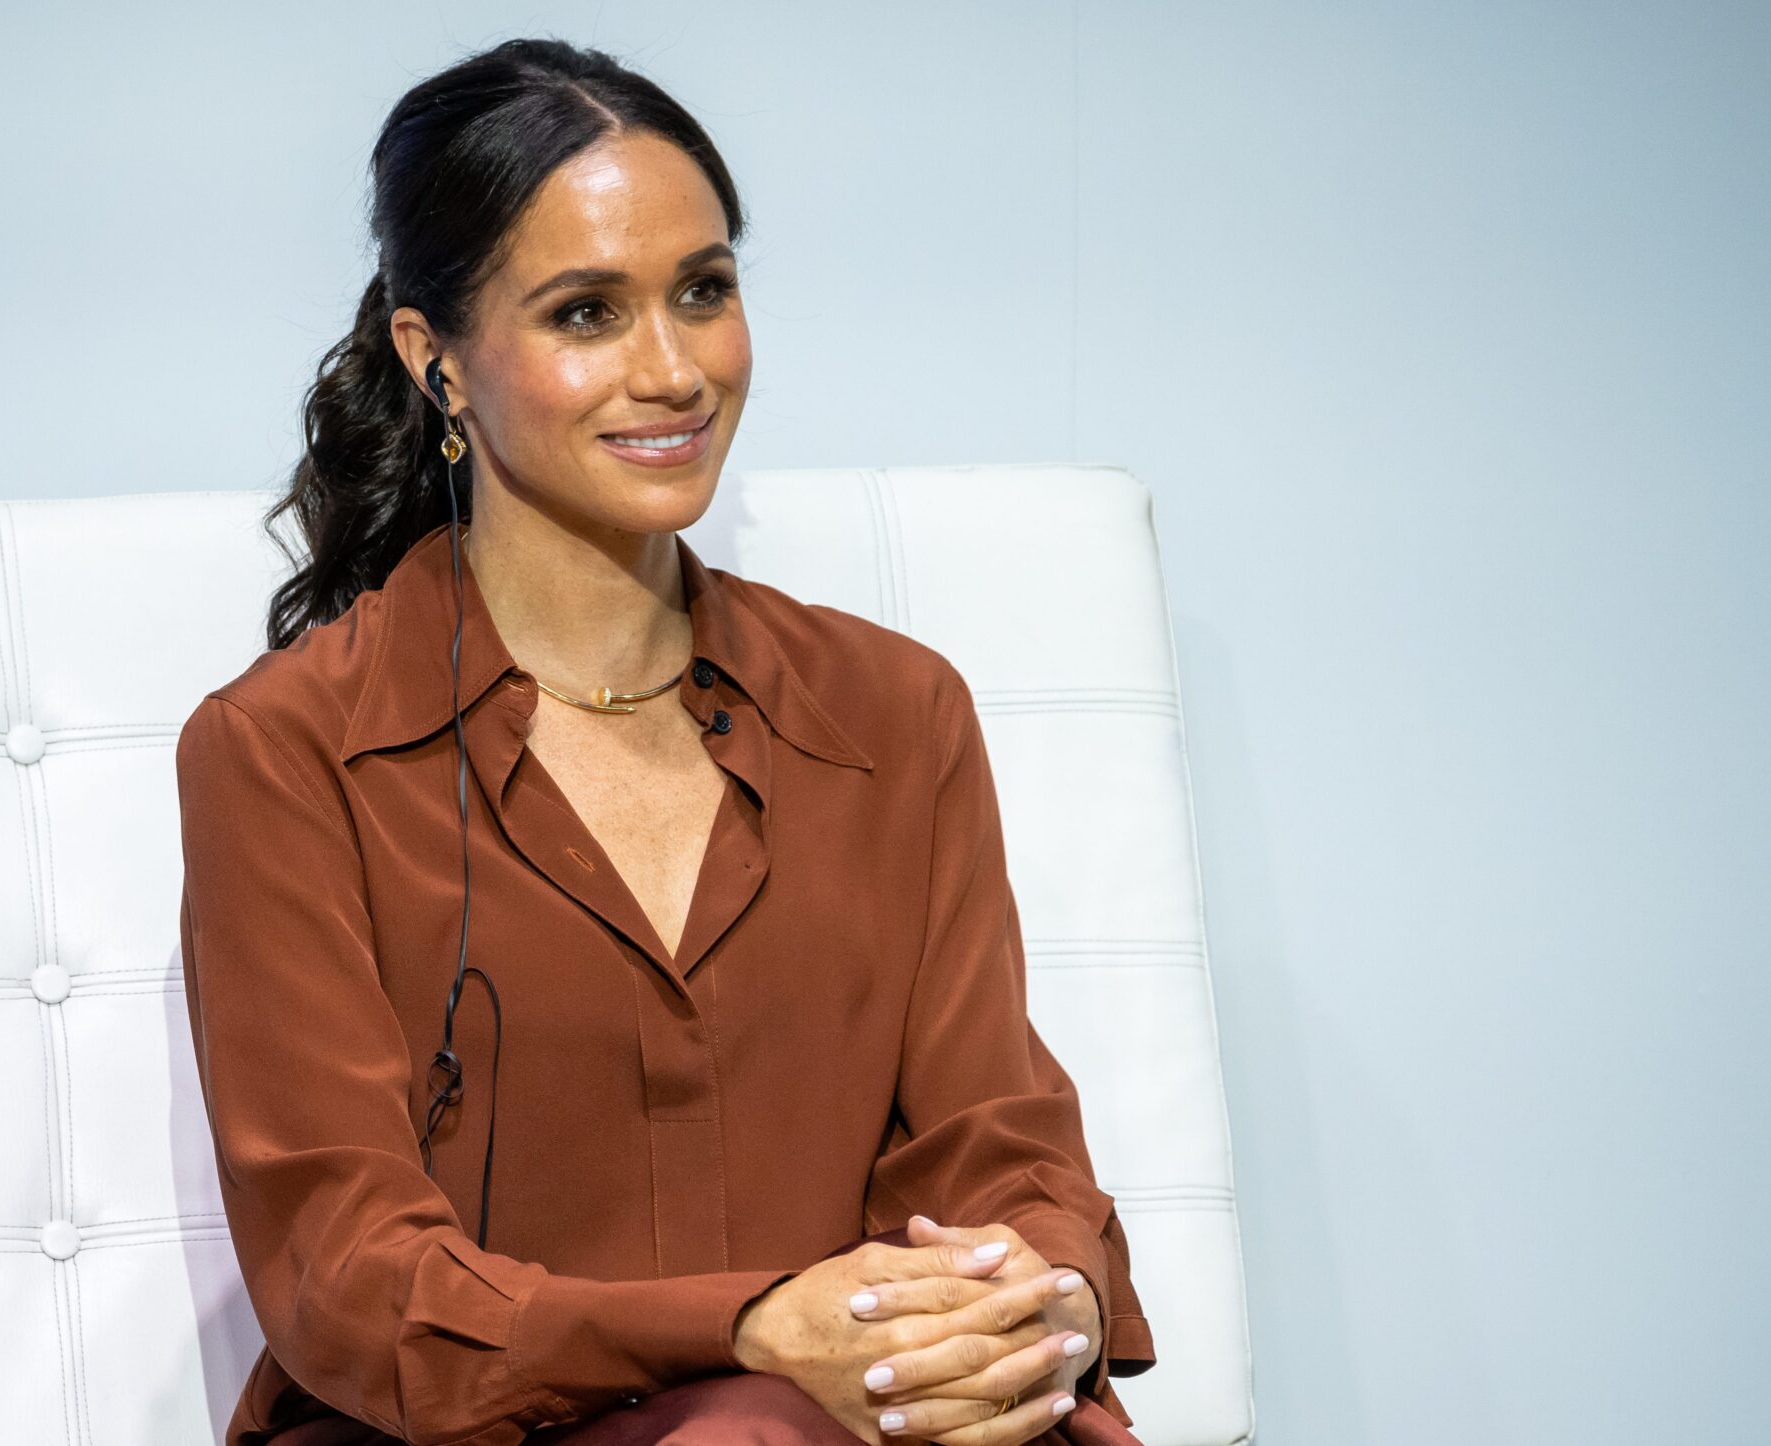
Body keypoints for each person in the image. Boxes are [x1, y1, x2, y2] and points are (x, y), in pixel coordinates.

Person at [173, 37, 1156, 1446]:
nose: (674, 368)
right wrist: (749, 1328)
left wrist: (1043, 1293)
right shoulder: (283, 753)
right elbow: (349, 1270)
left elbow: (996, 1138)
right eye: (586, 312)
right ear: (432, 357)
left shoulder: (894, 712)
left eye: (704, 291)